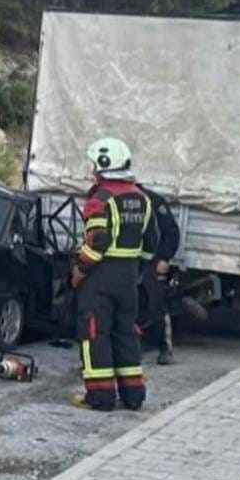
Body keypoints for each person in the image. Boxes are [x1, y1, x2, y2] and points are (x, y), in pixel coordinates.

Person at [71, 137, 157, 411]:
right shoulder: (143, 199)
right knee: (126, 334)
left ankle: (101, 396)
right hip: (129, 279)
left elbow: (97, 241)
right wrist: (136, 269)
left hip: (101, 278)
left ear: (102, 165)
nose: (92, 170)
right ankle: (133, 395)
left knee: (95, 332)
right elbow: (151, 243)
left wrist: (79, 270)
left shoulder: (100, 199)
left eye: (94, 164)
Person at [138, 185, 180, 366]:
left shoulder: (154, 201)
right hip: (128, 261)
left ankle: (165, 348)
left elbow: (171, 232)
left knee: (157, 304)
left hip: (152, 261)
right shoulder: (118, 199)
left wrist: (164, 258)